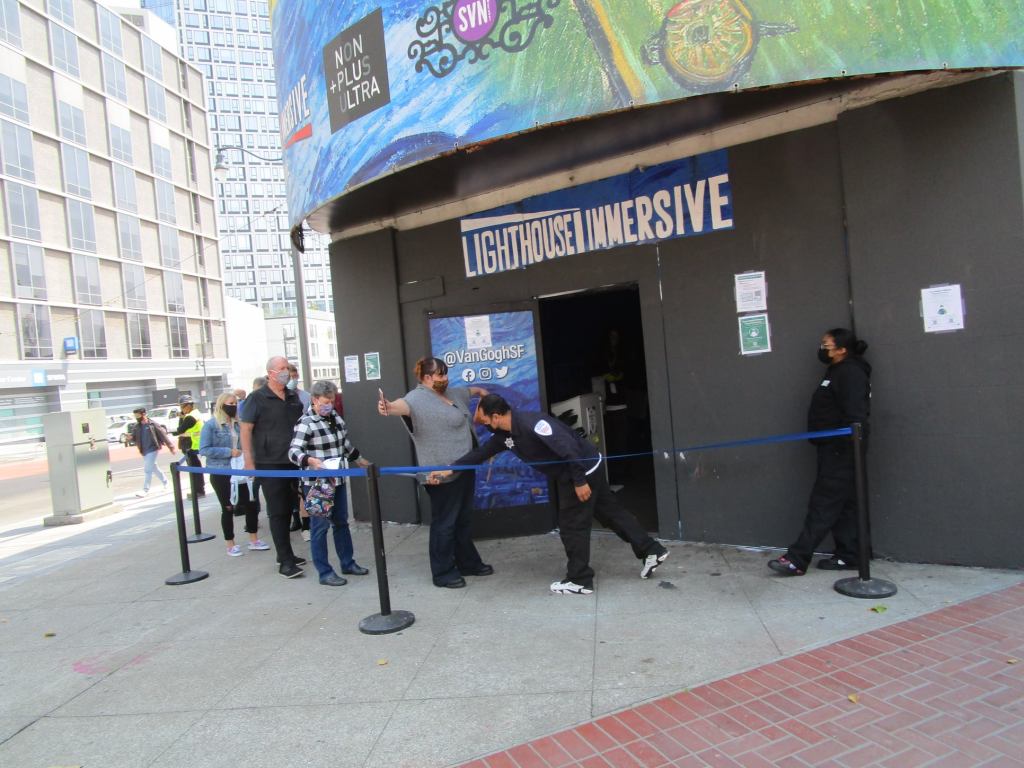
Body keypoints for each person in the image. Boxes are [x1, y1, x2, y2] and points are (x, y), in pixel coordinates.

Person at [429, 394, 669, 595]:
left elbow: (569, 449)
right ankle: (652, 550)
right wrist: (450, 469)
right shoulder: (505, 435)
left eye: (484, 421)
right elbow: (480, 454)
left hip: (580, 471)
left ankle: (579, 580)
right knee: (610, 513)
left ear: (496, 416)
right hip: (585, 469)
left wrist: (579, 482)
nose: (484, 426)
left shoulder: (534, 424)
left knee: (572, 526)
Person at [377, 357, 493, 588]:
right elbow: (399, 406)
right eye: (441, 374)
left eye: (446, 373)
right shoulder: (415, 399)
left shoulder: (453, 393)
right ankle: (443, 572)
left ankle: (468, 563)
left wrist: (482, 393)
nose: (445, 378)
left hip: (465, 467)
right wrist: (387, 407)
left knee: (462, 519)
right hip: (441, 474)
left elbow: (471, 390)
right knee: (445, 523)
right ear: (427, 377)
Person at [769, 328, 872, 576]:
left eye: (827, 346)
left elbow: (856, 415)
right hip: (833, 448)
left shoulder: (850, 373)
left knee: (823, 503)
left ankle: (797, 559)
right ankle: (849, 555)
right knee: (845, 504)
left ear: (842, 350)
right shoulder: (837, 371)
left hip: (841, 450)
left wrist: (846, 444)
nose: (822, 349)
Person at [289, 380, 370, 586]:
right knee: (320, 527)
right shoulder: (306, 422)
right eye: (326, 401)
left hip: (338, 479)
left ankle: (347, 562)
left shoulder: (335, 418)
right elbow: (294, 451)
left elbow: (344, 444)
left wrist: (359, 459)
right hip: (317, 484)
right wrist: (310, 460)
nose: (329, 405)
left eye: (332, 401)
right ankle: (324, 572)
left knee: (341, 522)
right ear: (314, 400)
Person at [241, 356, 307, 579]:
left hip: (293, 461)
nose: (286, 371)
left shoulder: (293, 397)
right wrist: (249, 461)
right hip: (269, 463)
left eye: (287, 367)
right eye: (281, 368)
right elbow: (246, 429)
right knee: (278, 511)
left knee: (289, 509)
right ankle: (285, 562)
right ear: (270, 373)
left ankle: (285, 554)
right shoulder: (256, 398)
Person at [199, 391, 270, 557]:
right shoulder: (211, 425)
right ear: (221, 405)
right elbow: (204, 449)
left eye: (235, 403)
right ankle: (230, 543)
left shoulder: (239, 424)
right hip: (221, 471)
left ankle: (254, 539)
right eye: (230, 403)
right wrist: (228, 452)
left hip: (241, 470)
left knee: (251, 504)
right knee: (228, 507)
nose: (233, 406)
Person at [130, 407, 176, 497]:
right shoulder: (137, 426)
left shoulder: (152, 424)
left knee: (147, 470)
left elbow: (162, 435)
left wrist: (171, 446)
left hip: (153, 449)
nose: (136, 417)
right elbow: (134, 438)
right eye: (135, 416)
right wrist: (130, 438)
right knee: (154, 468)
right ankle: (166, 483)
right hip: (144, 451)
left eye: (138, 415)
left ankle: (145, 490)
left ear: (143, 414)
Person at [173, 394, 206, 498]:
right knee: (196, 468)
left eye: (182, 407)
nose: (181, 409)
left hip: (191, 445)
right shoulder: (195, 414)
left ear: (188, 405)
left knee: (194, 470)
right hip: (193, 445)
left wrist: (181, 417)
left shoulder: (190, 417)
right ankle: (199, 490)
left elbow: (180, 429)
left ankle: (198, 491)